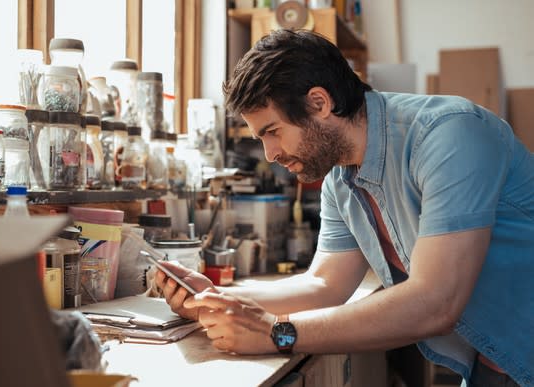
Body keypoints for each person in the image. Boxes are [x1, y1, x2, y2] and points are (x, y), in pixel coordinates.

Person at [155, 29, 534, 386]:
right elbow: (324, 284)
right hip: (494, 363)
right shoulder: (341, 179)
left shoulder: (448, 134)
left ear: (319, 103)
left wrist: (278, 333)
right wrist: (217, 298)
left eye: (272, 131)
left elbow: (436, 302)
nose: (270, 154)